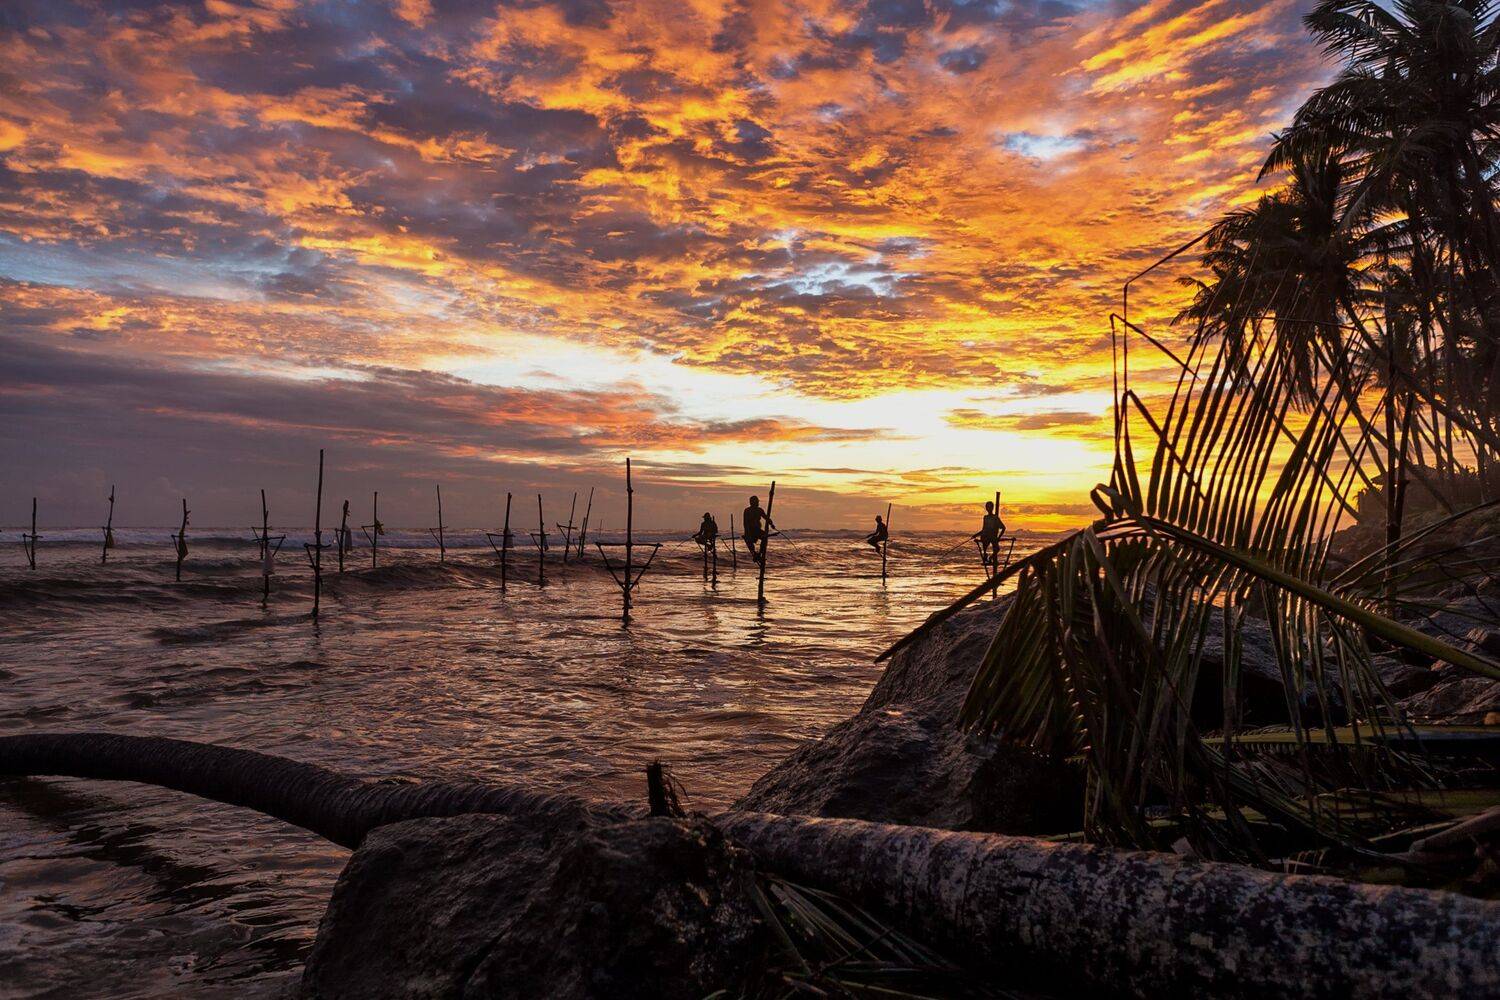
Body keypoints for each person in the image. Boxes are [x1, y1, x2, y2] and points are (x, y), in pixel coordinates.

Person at [742, 495, 774, 563]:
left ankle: (760, 554)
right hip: (750, 530)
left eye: (757, 502)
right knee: (749, 541)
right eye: (756, 502)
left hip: (757, 530)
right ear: (752, 502)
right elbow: (745, 523)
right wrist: (747, 533)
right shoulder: (747, 510)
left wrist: (771, 524)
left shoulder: (759, 510)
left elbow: (766, 518)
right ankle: (754, 554)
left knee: (765, 537)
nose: (758, 503)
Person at [974, 500, 1005, 568]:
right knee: (985, 547)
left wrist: (998, 537)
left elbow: (1003, 528)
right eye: (987, 507)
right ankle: (986, 556)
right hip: (985, 537)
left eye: (990, 507)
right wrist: (976, 535)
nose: (988, 508)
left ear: (992, 508)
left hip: (993, 537)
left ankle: (990, 558)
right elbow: (984, 529)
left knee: (996, 549)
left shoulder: (995, 518)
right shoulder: (985, 517)